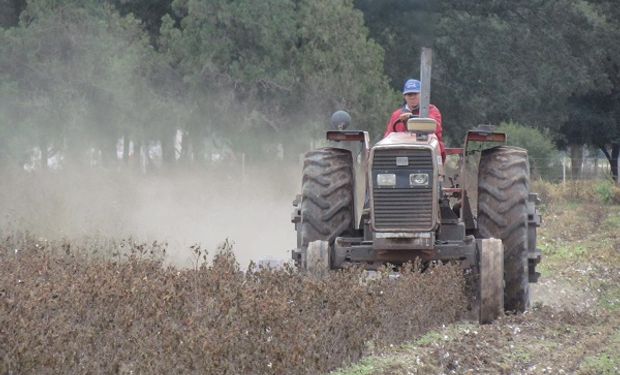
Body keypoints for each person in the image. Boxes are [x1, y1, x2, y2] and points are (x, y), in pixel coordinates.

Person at [384, 79, 445, 160]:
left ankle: (437, 171)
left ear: (422, 95)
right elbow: (388, 136)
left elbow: (436, 128)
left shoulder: (432, 110)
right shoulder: (396, 115)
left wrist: (412, 118)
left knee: (437, 146)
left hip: (426, 151)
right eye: (409, 94)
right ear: (405, 96)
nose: (412, 97)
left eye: (415, 94)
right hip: (402, 152)